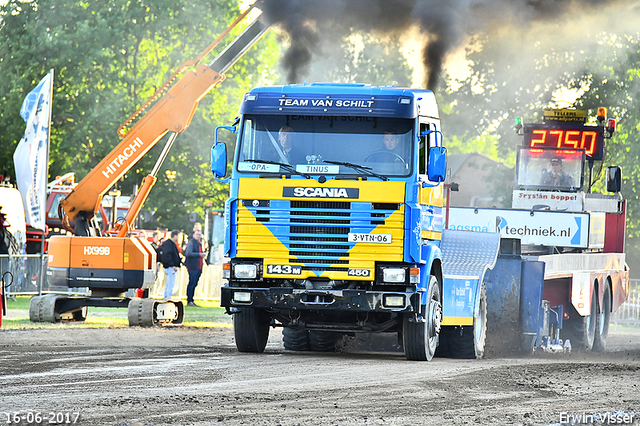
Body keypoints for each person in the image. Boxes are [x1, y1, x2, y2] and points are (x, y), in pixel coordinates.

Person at [184, 228, 206, 307]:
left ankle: (191, 300)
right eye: (197, 234)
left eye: (199, 235)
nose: (198, 236)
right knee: (192, 283)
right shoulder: (191, 242)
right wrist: (199, 254)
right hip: (192, 266)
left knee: (194, 283)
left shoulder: (199, 243)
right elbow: (188, 253)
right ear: (194, 235)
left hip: (198, 266)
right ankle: (189, 300)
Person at [160, 230, 181, 300]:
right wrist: (172, 265)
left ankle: (167, 295)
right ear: (174, 235)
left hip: (170, 266)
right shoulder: (169, 244)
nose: (178, 237)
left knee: (169, 282)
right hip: (170, 266)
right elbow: (168, 255)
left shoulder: (170, 244)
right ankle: (168, 296)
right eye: (178, 235)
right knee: (170, 282)